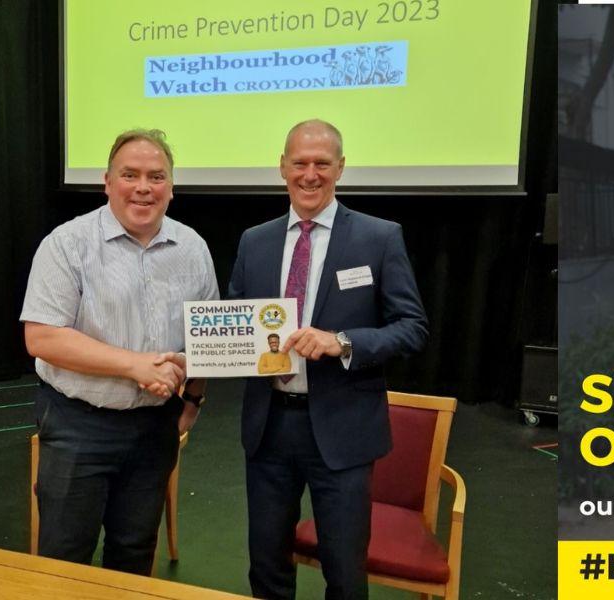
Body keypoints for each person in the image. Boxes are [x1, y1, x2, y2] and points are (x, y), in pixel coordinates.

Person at [227, 119, 428, 599]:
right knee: (267, 566)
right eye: (300, 163)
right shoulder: (255, 241)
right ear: (282, 167)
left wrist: (344, 342)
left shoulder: (379, 238)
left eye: (322, 163)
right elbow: (236, 317)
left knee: (343, 570)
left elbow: (412, 327)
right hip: (269, 428)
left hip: (343, 429)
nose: (310, 174)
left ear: (341, 167)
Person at [21, 129, 218, 573]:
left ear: (172, 187)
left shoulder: (193, 249)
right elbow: (43, 337)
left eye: (156, 176)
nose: (143, 187)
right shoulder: (66, 244)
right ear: (107, 182)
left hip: (154, 428)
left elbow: (205, 339)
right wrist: (134, 365)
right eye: (130, 174)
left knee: (133, 557)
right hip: (78, 425)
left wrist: (193, 399)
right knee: (64, 559)